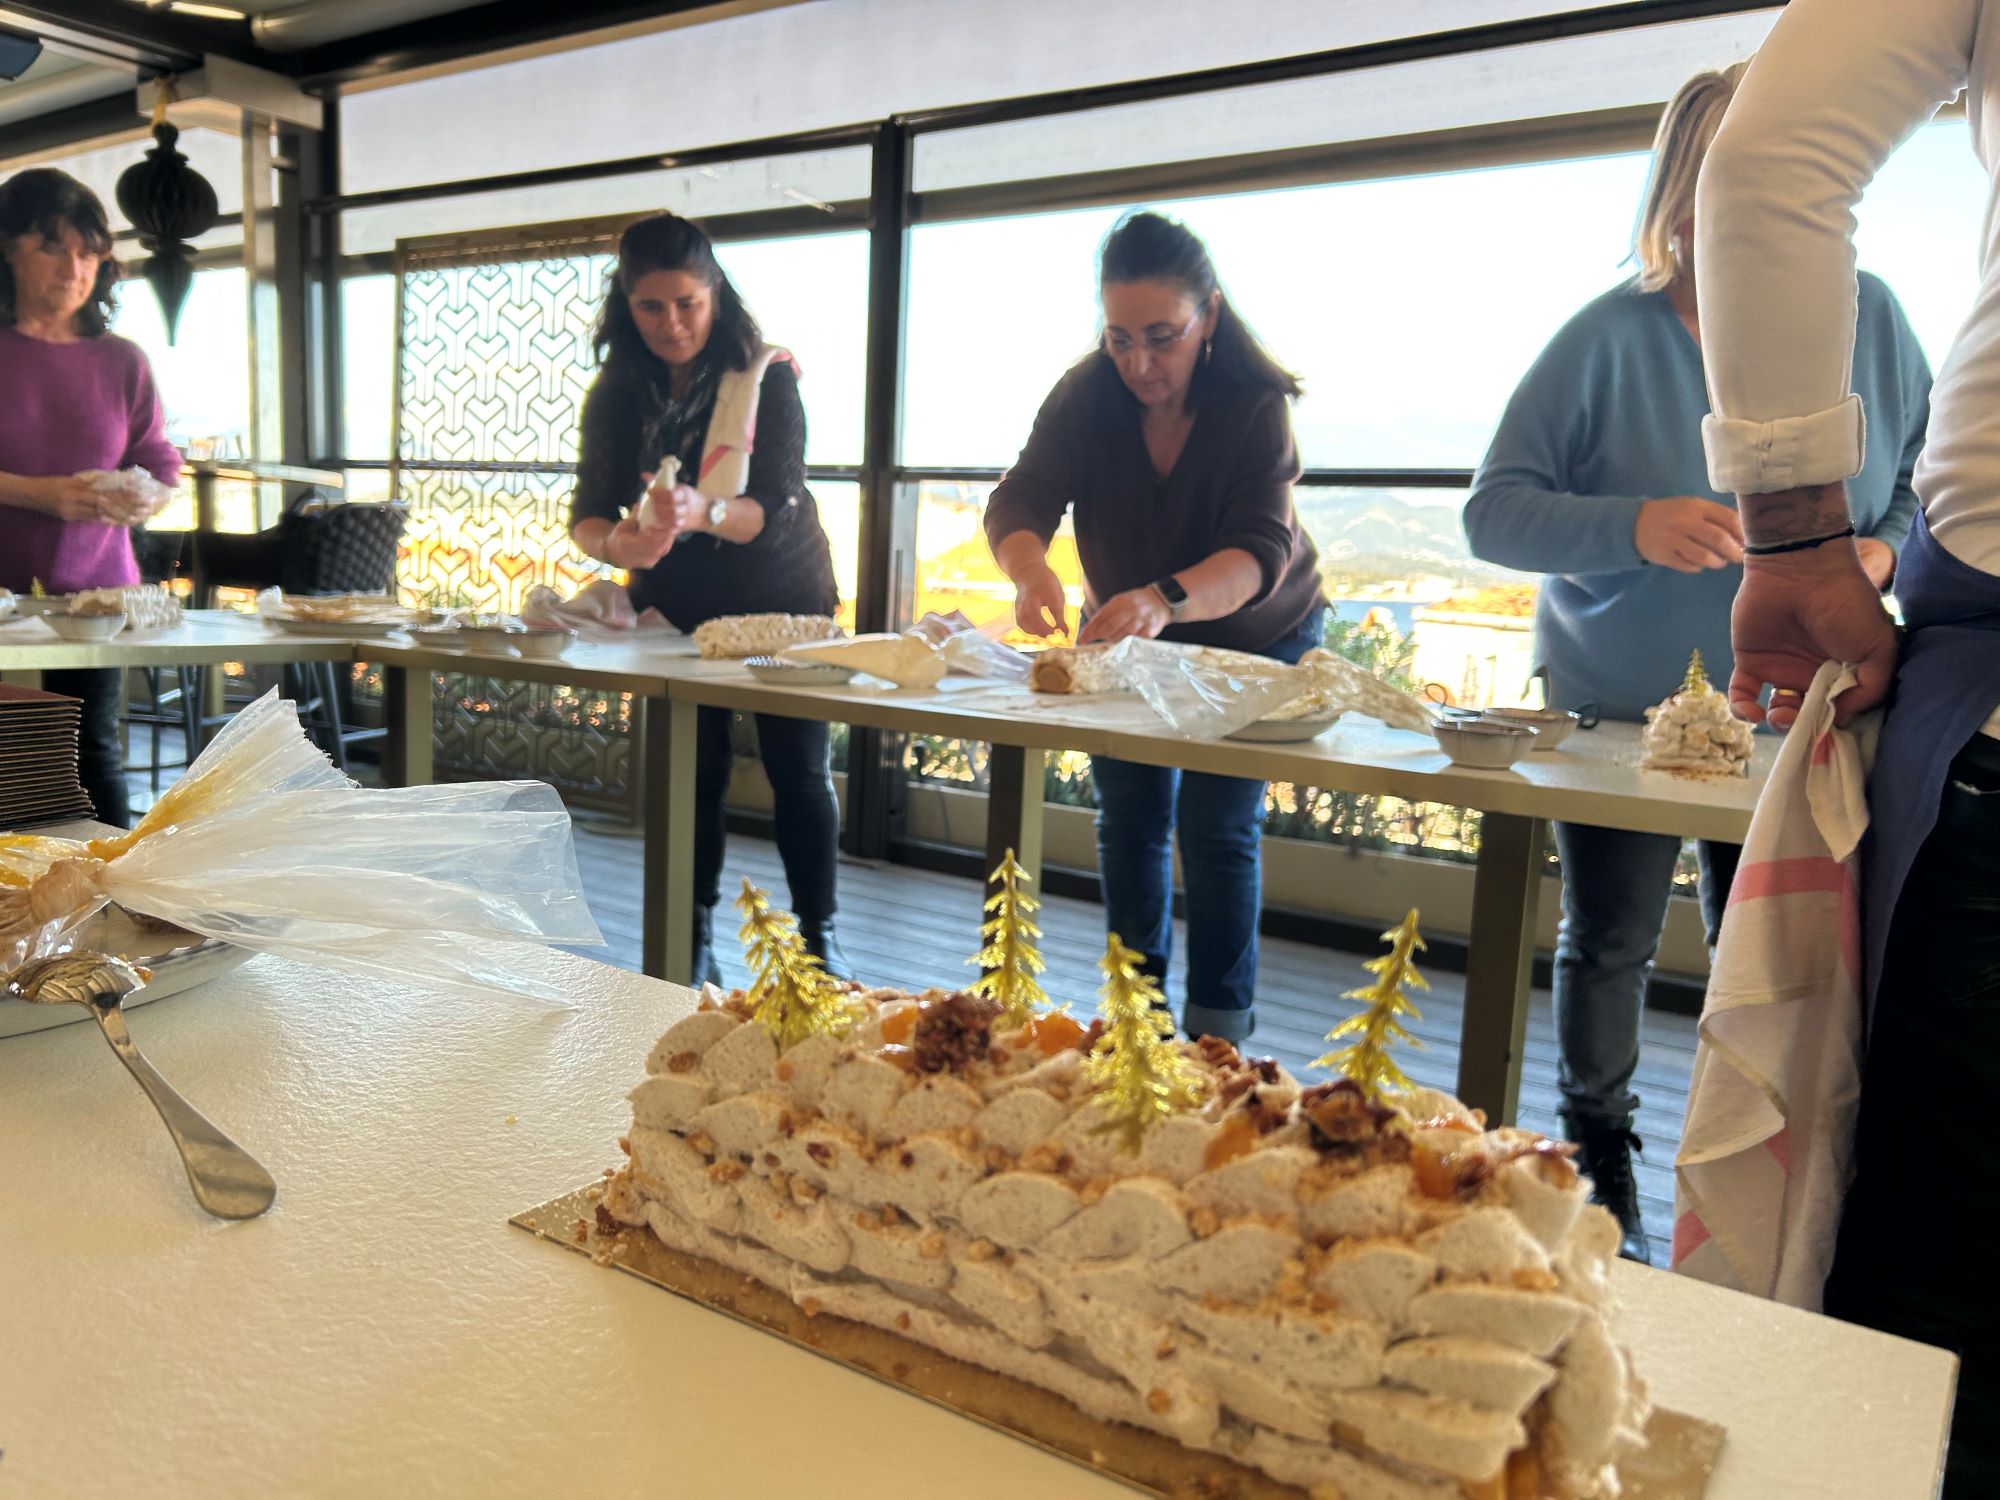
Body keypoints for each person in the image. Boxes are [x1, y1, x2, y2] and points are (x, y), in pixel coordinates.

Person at [1462, 62, 1932, 1264]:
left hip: (1793, 718)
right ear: (1685, 196)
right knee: (1609, 939)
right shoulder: (1602, 338)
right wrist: (1630, 525)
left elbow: (1931, 484)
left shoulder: (1874, 319)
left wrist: (1875, 549)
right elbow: (1493, 517)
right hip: (1622, 715)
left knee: (1762, 950)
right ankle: (1598, 1148)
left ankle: (1752, 1168)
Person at [1694, 3, 2000, 1490]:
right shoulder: (1598, 340)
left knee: (1928, 1342)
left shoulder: (1871, 303)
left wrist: (1800, 535)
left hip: (1968, 712)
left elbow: (1773, 163)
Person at [984, 211, 1326, 1043]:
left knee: (1215, 821)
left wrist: (1165, 599)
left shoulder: (1253, 404)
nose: (1139, 363)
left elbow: (1259, 553)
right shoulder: (1085, 395)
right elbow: (1019, 500)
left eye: (1162, 338)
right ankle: (1138, 1024)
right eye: (1120, 339)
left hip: (1257, 633)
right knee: (1130, 812)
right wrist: (1032, 570)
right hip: (1133, 633)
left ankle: (1218, 1035)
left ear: (1207, 314)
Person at [568, 213, 846, 985]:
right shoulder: (618, 391)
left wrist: (702, 511)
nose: (673, 323)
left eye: (688, 302)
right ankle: (691, 937)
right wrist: (615, 544)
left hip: (780, 598)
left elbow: (776, 504)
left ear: (715, 293)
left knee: (798, 770)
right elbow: (587, 513)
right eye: (652, 307)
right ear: (626, 305)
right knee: (694, 773)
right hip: (674, 608)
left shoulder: (762, 377)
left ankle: (819, 945)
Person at [0, 169, 179, 829]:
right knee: (8, 757)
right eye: (51, 246)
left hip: (96, 597)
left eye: (88, 250)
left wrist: (147, 496)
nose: (72, 267)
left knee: (92, 753)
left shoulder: (121, 361)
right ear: (8, 249)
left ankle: (110, 903)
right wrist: (35, 494)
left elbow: (158, 457)